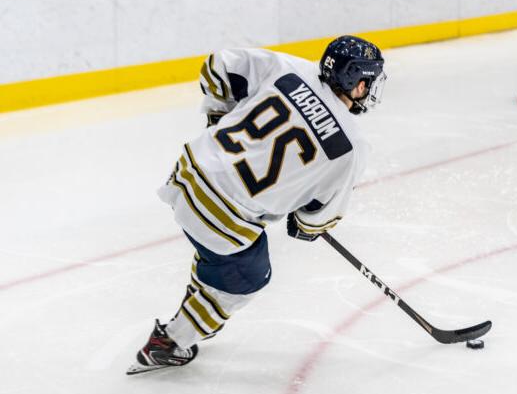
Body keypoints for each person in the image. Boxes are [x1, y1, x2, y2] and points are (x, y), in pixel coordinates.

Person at [127, 35, 386, 374]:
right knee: (248, 276)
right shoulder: (352, 147)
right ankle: (169, 344)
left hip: (189, 172)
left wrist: (218, 122)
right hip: (223, 218)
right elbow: (318, 218)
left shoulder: (292, 70)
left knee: (221, 254)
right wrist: (305, 224)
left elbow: (218, 66)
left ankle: (202, 294)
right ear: (358, 83)